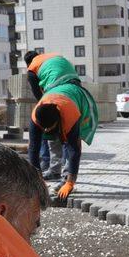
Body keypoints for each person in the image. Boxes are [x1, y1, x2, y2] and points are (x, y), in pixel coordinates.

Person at [27, 55, 98, 200]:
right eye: (44, 129)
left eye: (50, 128)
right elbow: (33, 149)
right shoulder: (35, 116)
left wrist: (71, 182)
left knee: (67, 141)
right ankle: (54, 172)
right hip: (64, 71)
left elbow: (74, 149)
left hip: (72, 91)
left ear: (58, 118)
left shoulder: (70, 112)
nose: (46, 132)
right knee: (48, 142)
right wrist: (37, 180)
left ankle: (65, 178)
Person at [24, 50, 64, 180]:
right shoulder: (52, 60)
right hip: (68, 92)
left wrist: (45, 107)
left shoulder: (32, 69)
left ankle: (49, 168)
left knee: (49, 137)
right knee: (66, 138)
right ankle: (62, 171)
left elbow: (38, 96)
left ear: (28, 63)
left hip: (52, 98)